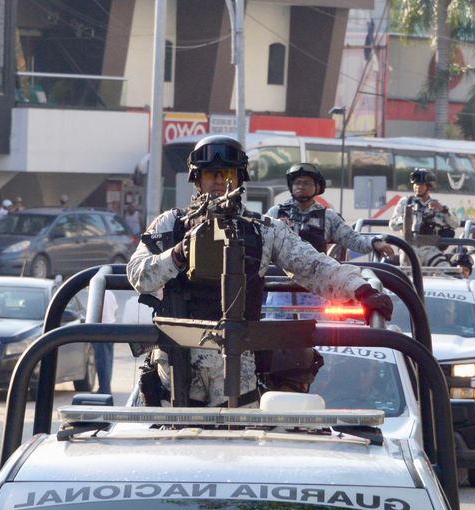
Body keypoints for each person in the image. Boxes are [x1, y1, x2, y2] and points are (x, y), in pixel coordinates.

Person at [128, 135, 393, 407]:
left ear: (239, 178)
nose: (219, 181)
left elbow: (314, 266)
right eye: (210, 174)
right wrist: (176, 255)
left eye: (227, 174)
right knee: (172, 431)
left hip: (236, 358)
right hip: (175, 361)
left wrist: (361, 290)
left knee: (240, 430)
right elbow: (137, 275)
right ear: (197, 179)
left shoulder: (262, 229)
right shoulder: (171, 225)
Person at [271, 163, 396, 258]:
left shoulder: (328, 217)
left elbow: (352, 238)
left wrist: (375, 243)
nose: (301, 187)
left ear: (317, 187)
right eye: (297, 183)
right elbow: (262, 237)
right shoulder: (276, 213)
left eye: (306, 183)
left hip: (315, 279)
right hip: (278, 279)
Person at [390, 168, 456, 262]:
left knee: (443, 267)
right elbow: (392, 225)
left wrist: (443, 210)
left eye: (421, 184)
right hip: (410, 246)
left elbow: (455, 224)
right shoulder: (406, 202)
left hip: (431, 249)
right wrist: (409, 218)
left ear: (429, 186)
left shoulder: (437, 205)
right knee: (409, 267)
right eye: (416, 184)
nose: (417, 187)